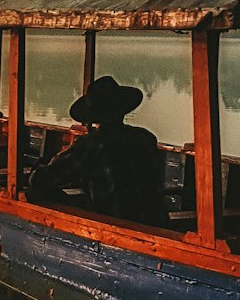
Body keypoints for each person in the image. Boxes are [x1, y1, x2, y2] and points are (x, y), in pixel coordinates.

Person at [26, 75, 168, 226]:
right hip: (159, 225)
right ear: (122, 111)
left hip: (116, 228)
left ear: (92, 117)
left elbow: (40, 180)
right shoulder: (146, 137)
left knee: (38, 193)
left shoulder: (91, 144)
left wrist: (38, 169)